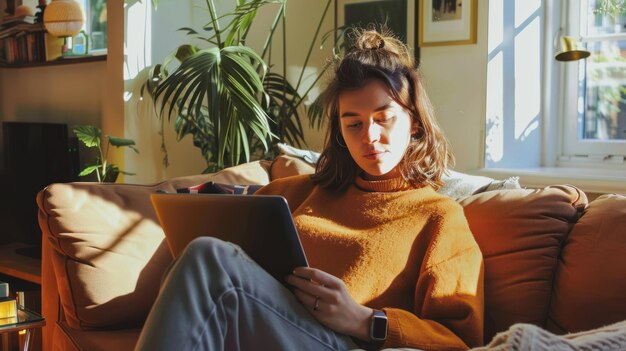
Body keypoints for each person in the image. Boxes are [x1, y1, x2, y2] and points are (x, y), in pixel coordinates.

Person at [135, 29, 484, 351]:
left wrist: (364, 320)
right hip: (271, 329)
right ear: (341, 133)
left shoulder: (438, 217)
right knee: (202, 255)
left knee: (207, 258)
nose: (370, 137)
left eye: (384, 118)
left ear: (415, 122)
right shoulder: (296, 193)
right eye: (354, 124)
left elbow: (460, 339)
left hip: (346, 343)